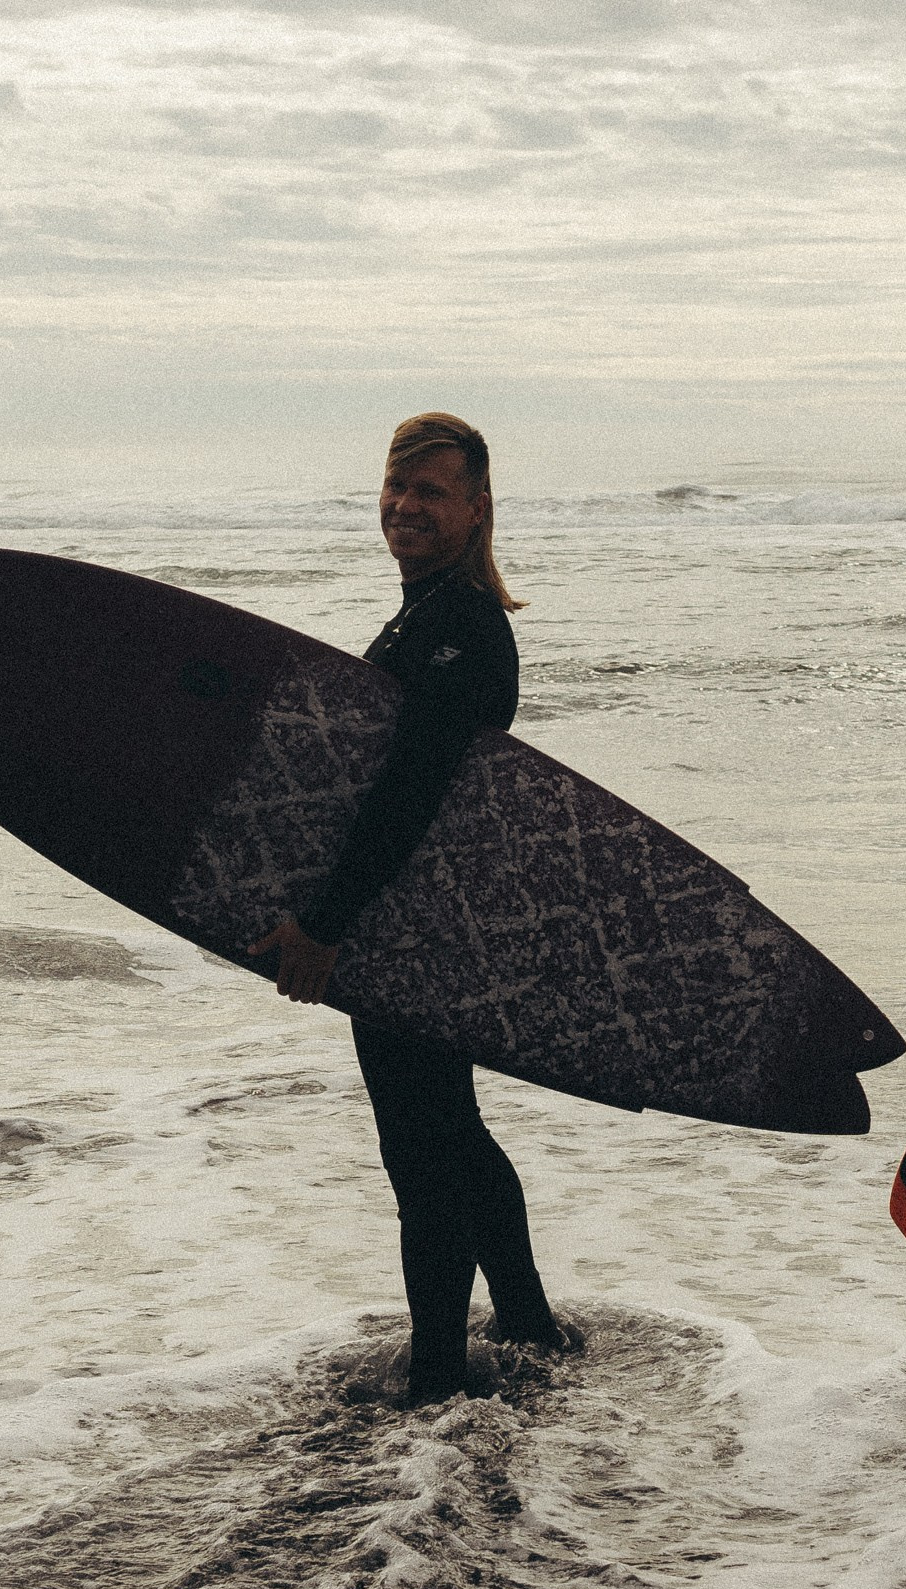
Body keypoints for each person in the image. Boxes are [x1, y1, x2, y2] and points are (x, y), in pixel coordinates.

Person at [246, 412, 568, 1406]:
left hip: (412, 927)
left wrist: (326, 923)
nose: (406, 506)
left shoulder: (458, 625)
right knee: (451, 1131)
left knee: (422, 1149)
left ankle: (437, 1377)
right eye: (397, 486)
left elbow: (410, 791)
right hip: (418, 920)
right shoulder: (427, 615)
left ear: (476, 509)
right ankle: (526, 1325)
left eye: (431, 490)